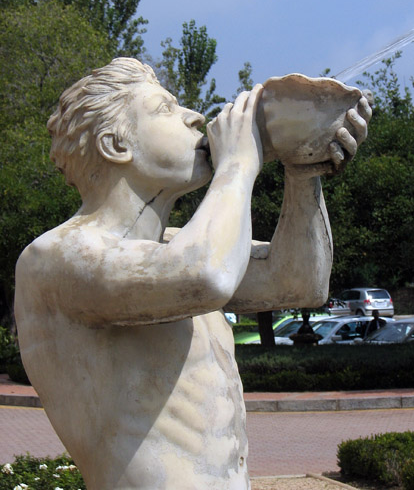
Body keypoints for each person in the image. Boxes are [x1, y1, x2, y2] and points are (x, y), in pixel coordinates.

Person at [15, 58, 371, 490]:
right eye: (165, 109)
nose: (196, 117)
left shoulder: (181, 245)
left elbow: (298, 281)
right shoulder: (58, 257)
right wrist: (239, 164)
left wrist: (303, 169)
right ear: (115, 145)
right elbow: (207, 278)